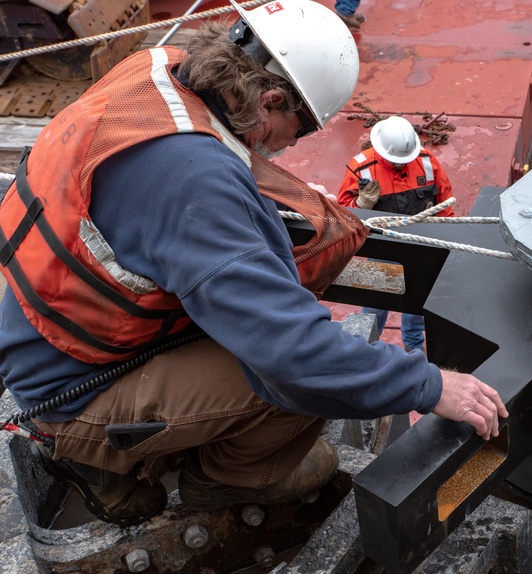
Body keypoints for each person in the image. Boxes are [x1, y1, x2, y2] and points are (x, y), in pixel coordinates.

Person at [0, 0, 506, 528]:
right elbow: (296, 356)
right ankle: (209, 480)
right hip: (70, 391)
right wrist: (432, 385)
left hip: (42, 334)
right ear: (269, 102)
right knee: (298, 388)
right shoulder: (195, 182)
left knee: (281, 341)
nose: (291, 145)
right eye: (301, 129)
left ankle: (160, 439)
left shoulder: (159, 70)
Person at [337, 115, 455, 353]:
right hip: (381, 248)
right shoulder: (361, 167)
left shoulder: (427, 163)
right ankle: (368, 350)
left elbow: (444, 205)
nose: (401, 165)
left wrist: (447, 240)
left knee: (416, 303)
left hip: (419, 245)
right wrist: (362, 203)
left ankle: (414, 349)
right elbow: (344, 211)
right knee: (375, 304)